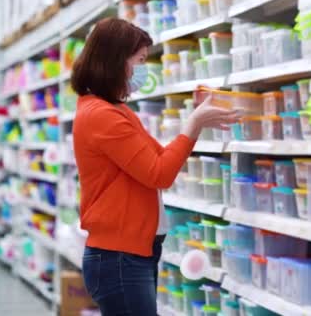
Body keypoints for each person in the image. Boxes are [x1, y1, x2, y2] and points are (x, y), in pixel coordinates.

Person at [71, 18, 238, 316]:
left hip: (132, 253)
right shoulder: (101, 116)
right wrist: (194, 123)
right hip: (118, 256)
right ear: (115, 60)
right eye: (140, 60)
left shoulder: (117, 111)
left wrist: (195, 122)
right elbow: (159, 174)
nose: (144, 70)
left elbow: (160, 158)